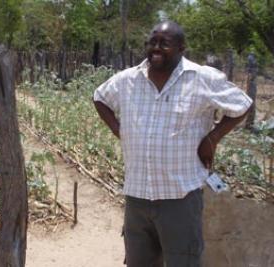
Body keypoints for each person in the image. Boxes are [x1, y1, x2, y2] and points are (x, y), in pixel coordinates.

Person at [93, 21, 252, 266]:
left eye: (164, 43)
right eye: (152, 42)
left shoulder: (201, 78)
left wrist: (212, 138)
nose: (156, 48)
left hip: (180, 198)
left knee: (183, 261)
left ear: (181, 47)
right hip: (137, 196)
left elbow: (242, 105)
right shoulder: (128, 79)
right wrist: (119, 130)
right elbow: (100, 98)